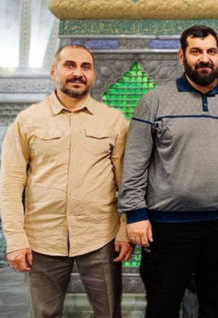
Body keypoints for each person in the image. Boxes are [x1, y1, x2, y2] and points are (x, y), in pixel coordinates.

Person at [118, 25, 218, 318]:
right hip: (167, 228)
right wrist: (135, 214)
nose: (204, 58)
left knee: (217, 307)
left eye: (211, 51)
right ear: (181, 56)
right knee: (162, 306)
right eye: (196, 51)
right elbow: (135, 160)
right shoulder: (154, 100)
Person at [0, 44, 132, 318]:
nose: (78, 73)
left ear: (93, 74)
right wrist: (15, 239)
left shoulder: (114, 122)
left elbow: (127, 183)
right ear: (53, 71)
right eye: (70, 65)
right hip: (42, 239)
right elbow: (10, 186)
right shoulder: (27, 122)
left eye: (86, 67)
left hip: (101, 238)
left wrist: (124, 231)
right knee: (44, 314)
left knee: (109, 313)